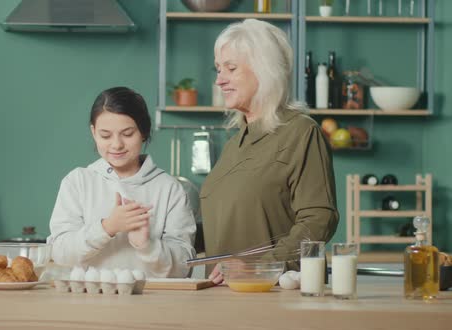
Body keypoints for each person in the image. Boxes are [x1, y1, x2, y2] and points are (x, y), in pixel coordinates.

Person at [202, 19, 339, 284]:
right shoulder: (234, 144)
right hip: (224, 294)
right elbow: (230, 220)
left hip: (276, 292)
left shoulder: (300, 131)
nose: (219, 80)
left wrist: (260, 267)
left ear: (265, 71)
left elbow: (320, 218)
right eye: (218, 69)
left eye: (230, 68)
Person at [47, 86, 196, 278]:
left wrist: (146, 245)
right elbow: (59, 254)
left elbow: (185, 267)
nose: (116, 144)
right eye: (105, 135)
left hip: (153, 305)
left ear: (143, 131)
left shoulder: (169, 188)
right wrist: (106, 228)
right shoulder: (78, 181)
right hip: (88, 302)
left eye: (127, 134)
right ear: (93, 132)